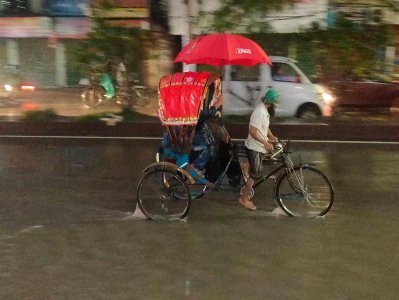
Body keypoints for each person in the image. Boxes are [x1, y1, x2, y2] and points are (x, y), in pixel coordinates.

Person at [238, 88, 280, 210]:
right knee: (256, 174)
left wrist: (271, 137)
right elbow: (253, 131)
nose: (276, 106)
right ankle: (244, 198)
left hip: (260, 145)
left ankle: (246, 165)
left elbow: (264, 127)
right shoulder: (260, 111)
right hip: (254, 146)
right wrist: (265, 143)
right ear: (271, 103)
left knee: (261, 164)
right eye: (276, 103)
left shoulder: (264, 110)